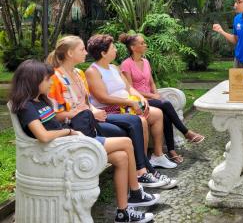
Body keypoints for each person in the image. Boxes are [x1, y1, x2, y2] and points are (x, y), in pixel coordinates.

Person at [10, 60, 159, 223]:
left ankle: (123, 212)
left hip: (70, 144)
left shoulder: (41, 101)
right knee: (125, 142)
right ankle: (136, 192)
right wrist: (69, 131)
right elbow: (43, 136)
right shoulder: (27, 107)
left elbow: (53, 126)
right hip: (64, 149)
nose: (51, 82)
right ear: (33, 80)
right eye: (47, 79)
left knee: (122, 157)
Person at [47, 35, 172, 188]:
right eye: (81, 49)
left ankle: (144, 172)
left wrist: (92, 110)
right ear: (70, 53)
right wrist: (92, 112)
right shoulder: (55, 78)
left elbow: (87, 102)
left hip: (92, 119)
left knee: (136, 121)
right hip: (77, 126)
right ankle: (143, 172)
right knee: (133, 124)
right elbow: (56, 116)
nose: (86, 53)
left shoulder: (79, 73)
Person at [85, 34, 178, 171]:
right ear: (103, 53)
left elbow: (129, 87)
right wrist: (129, 102)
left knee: (157, 114)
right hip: (111, 109)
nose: (116, 50)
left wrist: (140, 98)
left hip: (127, 105)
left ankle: (157, 155)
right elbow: (102, 98)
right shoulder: (92, 71)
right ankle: (142, 163)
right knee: (143, 121)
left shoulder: (114, 68)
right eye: (113, 48)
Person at [119, 33, 204, 163]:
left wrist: (155, 93)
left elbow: (151, 82)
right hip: (138, 100)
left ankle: (171, 150)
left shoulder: (146, 61)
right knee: (166, 104)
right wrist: (153, 96)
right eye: (142, 43)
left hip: (151, 97)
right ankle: (186, 133)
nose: (145, 45)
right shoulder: (126, 64)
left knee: (165, 114)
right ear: (132, 47)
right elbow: (131, 88)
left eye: (144, 42)